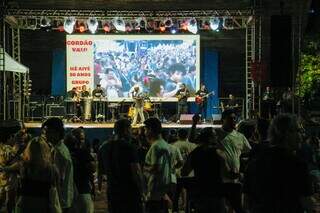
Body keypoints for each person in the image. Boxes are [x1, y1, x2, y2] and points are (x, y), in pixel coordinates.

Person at [243, 114, 315, 213]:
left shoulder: (255, 161)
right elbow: (307, 203)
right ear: (283, 133)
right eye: (298, 131)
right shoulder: (297, 165)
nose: (302, 135)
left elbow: (245, 202)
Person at [98, 119, 145, 213]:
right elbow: (136, 172)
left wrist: (100, 187)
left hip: (112, 191)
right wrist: (142, 191)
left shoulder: (103, 147)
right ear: (126, 130)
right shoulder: (129, 148)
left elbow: (100, 170)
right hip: (129, 193)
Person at [4, 137, 59, 213]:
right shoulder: (52, 169)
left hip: (24, 206)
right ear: (45, 150)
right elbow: (57, 189)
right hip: (43, 206)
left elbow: (6, 169)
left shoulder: (22, 166)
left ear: (28, 151)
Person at [181, 127, 225, 213]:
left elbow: (184, 172)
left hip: (201, 194)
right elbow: (226, 173)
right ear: (210, 138)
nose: (217, 137)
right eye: (215, 135)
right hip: (217, 193)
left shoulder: (195, 153)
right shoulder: (219, 153)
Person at [41, 118, 74, 213]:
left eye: (47, 132)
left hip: (59, 202)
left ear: (56, 133)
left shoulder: (58, 152)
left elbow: (58, 181)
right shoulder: (61, 148)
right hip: (63, 200)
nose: (45, 135)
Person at [144, 118, 172, 213]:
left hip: (154, 191)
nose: (145, 132)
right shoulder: (165, 144)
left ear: (150, 129)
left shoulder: (156, 146)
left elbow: (156, 168)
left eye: (145, 129)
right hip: (162, 190)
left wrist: (143, 169)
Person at [216, 109, 251, 182]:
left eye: (234, 118)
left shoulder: (240, 136)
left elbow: (248, 153)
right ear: (223, 120)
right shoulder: (216, 134)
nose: (233, 121)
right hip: (219, 179)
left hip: (235, 179)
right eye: (230, 119)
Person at [0, 120, 21, 213]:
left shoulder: (1, 147)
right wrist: (17, 145)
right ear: (10, 136)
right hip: (9, 181)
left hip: (2, 181)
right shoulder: (8, 149)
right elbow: (12, 156)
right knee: (10, 202)